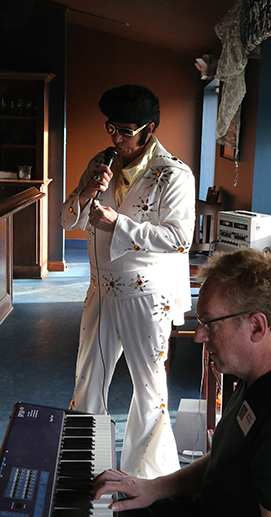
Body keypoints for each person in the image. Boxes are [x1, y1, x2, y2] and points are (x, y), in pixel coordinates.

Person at [92, 247, 271, 517]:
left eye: (209, 323)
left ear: (256, 326)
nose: (198, 336)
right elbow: (229, 457)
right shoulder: (268, 367)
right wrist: (156, 487)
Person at [60, 85, 196, 479]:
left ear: (149, 130)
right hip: (100, 291)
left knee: (149, 387)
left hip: (146, 295)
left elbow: (178, 237)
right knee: (88, 378)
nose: (116, 138)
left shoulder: (173, 175)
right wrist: (86, 192)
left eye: (125, 130)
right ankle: (85, 465)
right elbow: (68, 220)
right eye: (111, 128)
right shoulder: (101, 162)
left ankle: (145, 476)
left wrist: (117, 224)